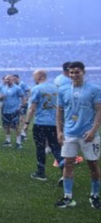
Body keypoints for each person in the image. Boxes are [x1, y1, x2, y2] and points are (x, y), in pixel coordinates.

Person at [54, 61, 101, 209]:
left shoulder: (94, 89)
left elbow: (99, 111)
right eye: (71, 72)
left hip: (88, 134)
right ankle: (68, 197)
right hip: (69, 133)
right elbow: (59, 111)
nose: (74, 75)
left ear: (83, 72)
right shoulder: (63, 90)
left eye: (77, 72)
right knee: (68, 163)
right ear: (68, 73)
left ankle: (95, 195)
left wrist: (93, 130)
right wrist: (59, 131)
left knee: (92, 165)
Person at [25, 69, 62, 181]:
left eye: (34, 76)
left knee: (40, 147)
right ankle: (65, 171)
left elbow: (32, 108)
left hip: (41, 122)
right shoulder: (56, 88)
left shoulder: (36, 89)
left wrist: (26, 123)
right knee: (56, 147)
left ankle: (41, 173)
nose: (33, 78)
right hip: (54, 123)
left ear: (40, 77)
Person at [0, 75, 25, 148]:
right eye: (6, 79)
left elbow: (22, 97)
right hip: (5, 110)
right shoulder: (3, 88)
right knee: (7, 126)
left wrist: (21, 106)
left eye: (9, 79)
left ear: (12, 80)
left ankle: (18, 143)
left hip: (14, 109)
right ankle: (8, 141)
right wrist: (1, 98)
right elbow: (0, 99)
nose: (7, 81)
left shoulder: (17, 88)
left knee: (16, 126)